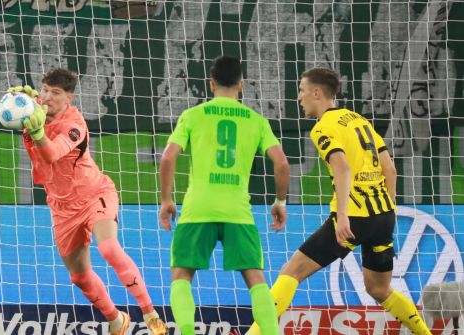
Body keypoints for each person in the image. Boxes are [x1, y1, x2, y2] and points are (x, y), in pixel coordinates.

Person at [244, 67, 432, 335]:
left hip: (352, 217)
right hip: (383, 216)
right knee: (378, 288)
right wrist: (385, 210)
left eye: (302, 90)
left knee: (291, 271)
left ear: (317, 93)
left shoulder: (324, 128)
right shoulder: (359, 120)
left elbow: (342, 168)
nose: (299, 97)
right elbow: (390, 169)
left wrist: (343, 216)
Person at [8, 67, 168, 335]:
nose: (47, 97)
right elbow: (18, 105)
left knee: (109, 249)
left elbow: (52, 154)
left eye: (55, 93)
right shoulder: (35, 108)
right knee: (78, 276)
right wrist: (17, 99)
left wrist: (37, 134)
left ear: (68, 98)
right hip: (61, 207)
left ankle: (149, 312)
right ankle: (116, 320)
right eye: (45, 90)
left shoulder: (74, 125)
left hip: (95, 194)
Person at [159, 56, 290, 335]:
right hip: (238, 212)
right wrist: (279, 202)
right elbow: (281, 163)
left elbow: (168, 158)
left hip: (198, 210)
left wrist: (167, 200)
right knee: (256, 279)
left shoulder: (193, 116)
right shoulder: (256, 120)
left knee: (181, 276)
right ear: (241, 85)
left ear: (211, 83)